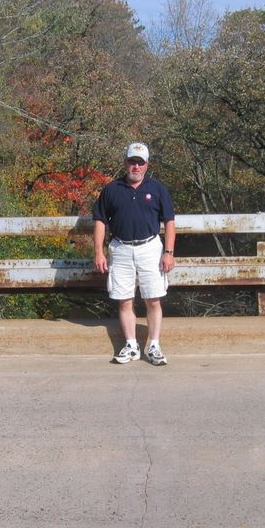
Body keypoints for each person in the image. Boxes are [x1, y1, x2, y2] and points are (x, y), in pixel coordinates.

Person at [93, 142, 176, 365]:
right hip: (120, 248)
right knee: (124, 300)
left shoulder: (158, 189)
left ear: (147, 165)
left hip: (150, 248)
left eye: (140, 162)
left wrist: (168, 252)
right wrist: (99, 252)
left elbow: (169, 222)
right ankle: (131, 345)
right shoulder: (111, 190)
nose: (136, 167)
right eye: (132, 161)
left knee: (153, 299)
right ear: (125, 162)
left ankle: (154, 346)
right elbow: (100, 221)